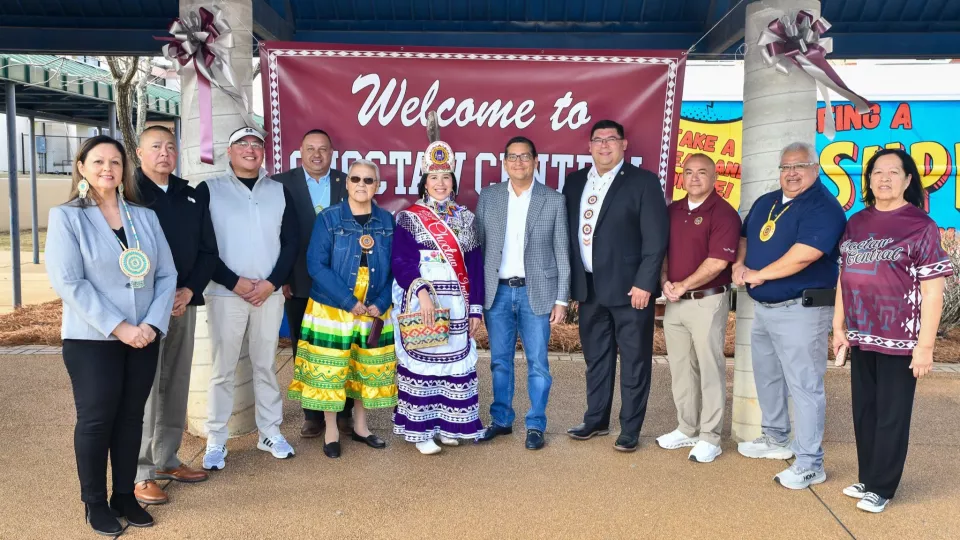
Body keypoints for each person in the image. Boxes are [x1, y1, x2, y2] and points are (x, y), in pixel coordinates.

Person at [46, 135, 176, 536]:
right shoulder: (67, 217)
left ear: (125, 170)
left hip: (143, 337)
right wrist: (121, 327)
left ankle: (124, 495)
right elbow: (70, 282)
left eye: (115, 162)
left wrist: (151, 325)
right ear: (81, 168)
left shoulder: (144, 217)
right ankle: (95, 503)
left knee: (131, 418)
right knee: (97, 420)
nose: (108, 169)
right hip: (93, 338)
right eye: (99, 161)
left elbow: (166, 274)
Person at [832, 148, 951, 513]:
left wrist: (925, 347)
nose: (884, 178)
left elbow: (933, 292)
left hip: (902, 338)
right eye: (877, 172)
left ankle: (882, 487)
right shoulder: (856, 222)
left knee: (892, 413)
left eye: (893, 172)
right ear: (868, 180)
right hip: (863, 334)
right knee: (864, 410)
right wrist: (838, 325)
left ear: (908, 180)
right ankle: (868, 477)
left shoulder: (920, 225)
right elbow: (845, 276)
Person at [733, 141, 846, 489]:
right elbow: (744, 236)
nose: (792, 173)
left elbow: (805, 254)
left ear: (815, 169)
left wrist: (759, 274)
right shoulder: (766, 202)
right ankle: (775, 437)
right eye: (785, 167)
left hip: (802, 309)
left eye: (800, 166)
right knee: (767, 376)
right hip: (764, 309)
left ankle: (810, 462)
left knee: (805, 386)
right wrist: (739, 264)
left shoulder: (823, 206)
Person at [562, 119, 669, 452]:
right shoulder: (575, 182)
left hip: (630, 291)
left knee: (635, 361)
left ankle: (630, 429)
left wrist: (645, 283)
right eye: (598, 139)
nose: (604, 145)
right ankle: (596, 419)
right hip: (589, 288)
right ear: (589, 146)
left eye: (611, 139)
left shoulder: (643, 182)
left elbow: (655, 239)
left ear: (624, 144)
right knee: (596, 359)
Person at [197, 126, 299, 470]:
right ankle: (216, 439)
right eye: (242, 143)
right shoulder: (210, 189)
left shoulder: (278, 190)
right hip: (226, 293)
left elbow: (291, 242)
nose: (250, 149)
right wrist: (233, 281)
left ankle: (269, 432)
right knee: (222, 370)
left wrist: (272, 282)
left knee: (265, 365)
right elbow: (203, 244)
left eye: (257, 144)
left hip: (268, 294)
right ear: (229, 151)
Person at [287, 159, 396, 459]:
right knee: (331, 369)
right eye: (356, 179)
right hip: (333, 306)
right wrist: (349, 302)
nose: (362, 184)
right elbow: (316, 265)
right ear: (347, 183)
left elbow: (395, 268)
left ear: (377, 186)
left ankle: (361, 427)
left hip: (373, 307)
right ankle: (332, 429)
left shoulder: (387, 221)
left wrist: (381, 302)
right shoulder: (329, 219)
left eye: (368, 180)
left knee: (364, 367)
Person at [133, 125, 218, 505]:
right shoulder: (128, 195)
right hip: (143, 309)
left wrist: (188, 290)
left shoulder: (190, 195)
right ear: (139, 153)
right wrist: (160, 297)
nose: (164, 153)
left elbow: (208, 251)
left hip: (183, 303)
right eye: (156, 146)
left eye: (170, 146)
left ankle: (166, 458)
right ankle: (140, 472)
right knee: (145, 389)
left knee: (176, 382)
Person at [474, 136, 570, 450]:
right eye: (513, 157)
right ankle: (501, 420)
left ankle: (535, 424)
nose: (519, 162)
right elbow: (478, 247)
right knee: (499, 361)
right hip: (498, 292)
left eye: (525, 156)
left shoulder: (553, 199)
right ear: (504, 163)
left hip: (536, 292)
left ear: (535, 161)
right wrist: (475, 295)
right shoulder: (488, 197)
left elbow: (562, 251)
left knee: (538, 363)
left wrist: (561, 298)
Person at [391, 140, 486, 455]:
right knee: (424, 363)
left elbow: (475, 266)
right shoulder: (409, 218)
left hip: (456, 303)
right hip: (424, 302)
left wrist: (475, 309)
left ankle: (447, 425)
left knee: (453, 364)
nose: (440, 183)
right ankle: (420, 431)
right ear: (424, 182)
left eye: (446, 177)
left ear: (454, 182)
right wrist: (421, 292)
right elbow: (400, 262)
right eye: (434, 177)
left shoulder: (466, 219)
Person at [657, 153, 741, 463]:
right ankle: (687, 428)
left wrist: (682, 285)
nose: (694, 178)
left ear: (715, 177)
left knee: (709, 368)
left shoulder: (724, 213)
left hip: (707, 300)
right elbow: (663, 252)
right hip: (675, 301)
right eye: (689, 172)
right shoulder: (672, 211)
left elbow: (717, 262)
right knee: (681, 368)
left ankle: (710, 437)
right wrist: (666, 281)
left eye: (702, 172)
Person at [273, 129, 354, 438]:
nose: (316, 154)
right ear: (300, 151)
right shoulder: (280, 184)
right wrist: (283, 277)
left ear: (332, 153)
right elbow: (276, 234)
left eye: (323, 149)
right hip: (298, 280)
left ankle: (344, 412)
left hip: (342, 283)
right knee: (305, 347)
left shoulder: (347, 181)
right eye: (310, 149)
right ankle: (312, 414)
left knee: (343, 346)